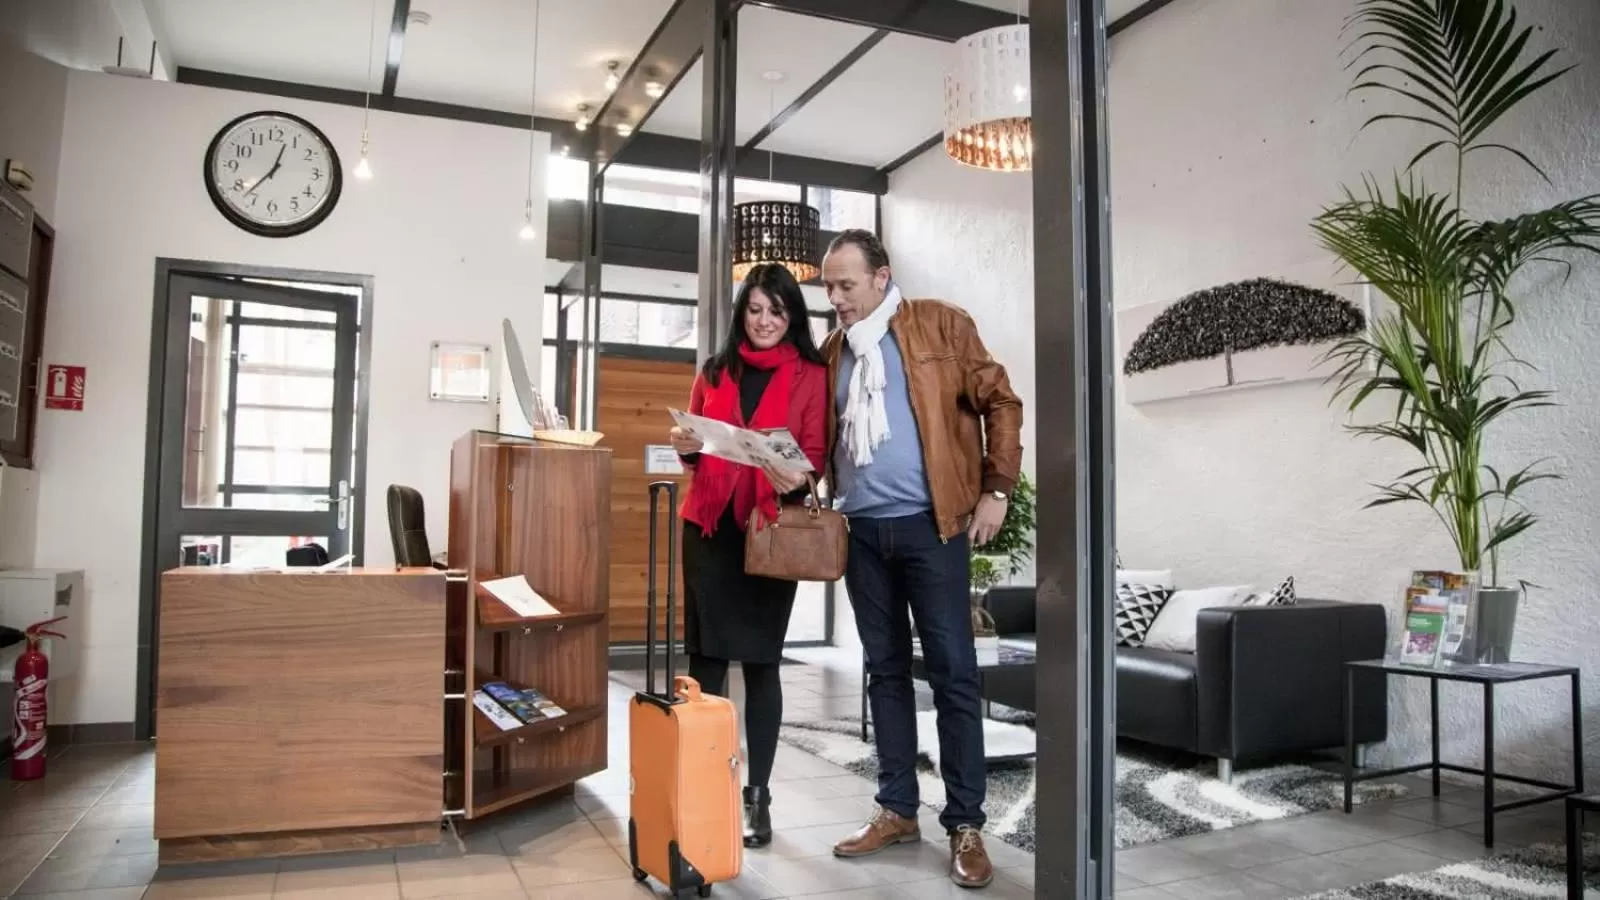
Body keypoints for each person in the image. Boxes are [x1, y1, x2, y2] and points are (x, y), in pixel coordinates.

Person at [819, 229, 1023, 889]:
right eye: (828, 286)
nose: (835, 298)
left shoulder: (941, 324)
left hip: (932, 529)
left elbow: (1002, 400)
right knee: (883, 674)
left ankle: (965, 823)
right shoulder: (831, 354)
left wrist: (996, 490)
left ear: (881, 278)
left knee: (955, 676)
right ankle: (897, 808)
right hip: (862, 533)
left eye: (845, 284)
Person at [666, 262, 828, 849]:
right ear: (742, 313)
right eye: (755, 310)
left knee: (761, 663)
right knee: (706, 662)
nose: (764, 321)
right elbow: (694, 450)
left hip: (768, 531)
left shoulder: (812, 373)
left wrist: (787, 470)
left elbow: (815, 453)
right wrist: (685, 447)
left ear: (792, 316)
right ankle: (702, 788)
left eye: (776, 311)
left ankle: (757, 798)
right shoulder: (714, 370)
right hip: (708, 530)